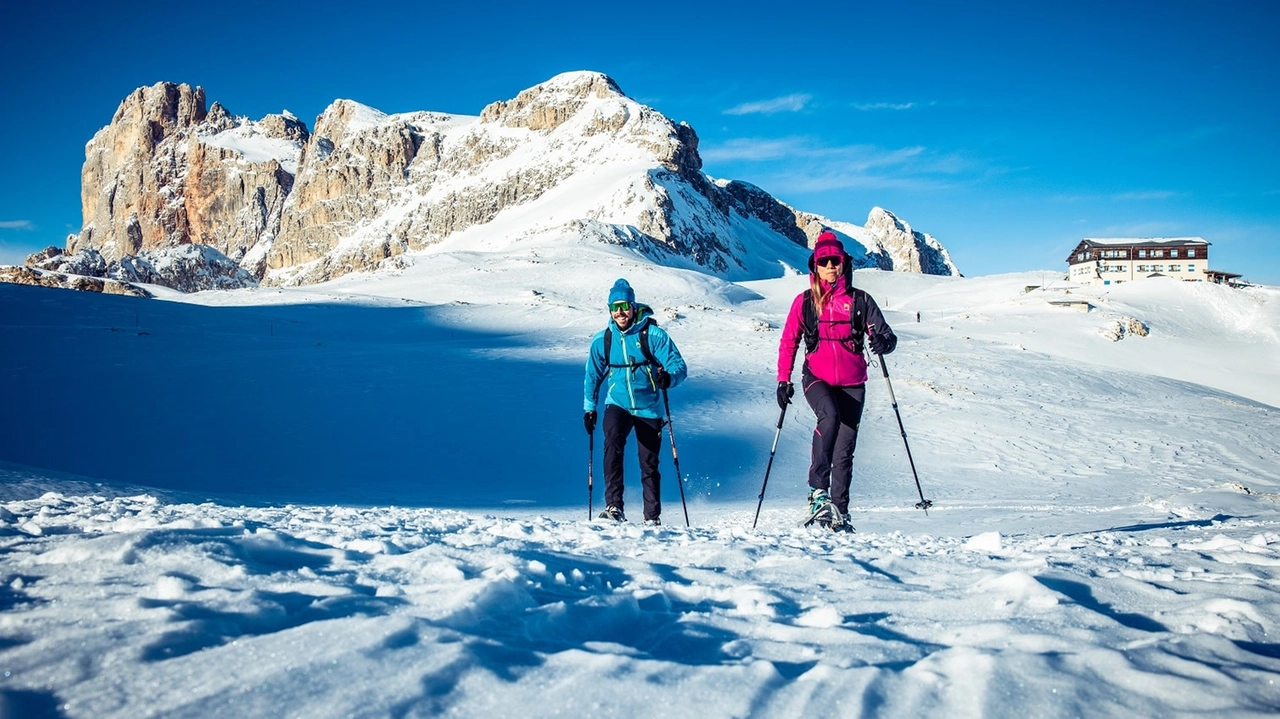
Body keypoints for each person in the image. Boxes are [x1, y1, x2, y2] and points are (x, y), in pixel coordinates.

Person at [776, 231, 897, 530]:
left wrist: (883, 342)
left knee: (845, 450)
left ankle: (839, 513)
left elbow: (886, 335)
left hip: (853, 383)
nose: (831, 266)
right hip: (816, 377)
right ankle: (818, 491)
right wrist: (783, 380)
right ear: (815, 266)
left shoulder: (860, 301)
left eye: (836, 260)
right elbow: (789, 341)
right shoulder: (804, 303)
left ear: (844, 263)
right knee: (828, 417)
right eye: (824, 261)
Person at [584, 279, 687, 525]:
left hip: (648, 407)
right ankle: (613, 507)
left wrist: (668, 378)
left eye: (624, 306)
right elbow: (592, 376)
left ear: (633, 306)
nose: (620, 312)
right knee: (612, 447)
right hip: (617, 402)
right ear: (609, 310)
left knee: (649, 462)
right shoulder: (603, 341)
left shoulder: (653, 335)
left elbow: (678, 366)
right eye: (615, 307)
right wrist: (589, 408)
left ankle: (652, 517)